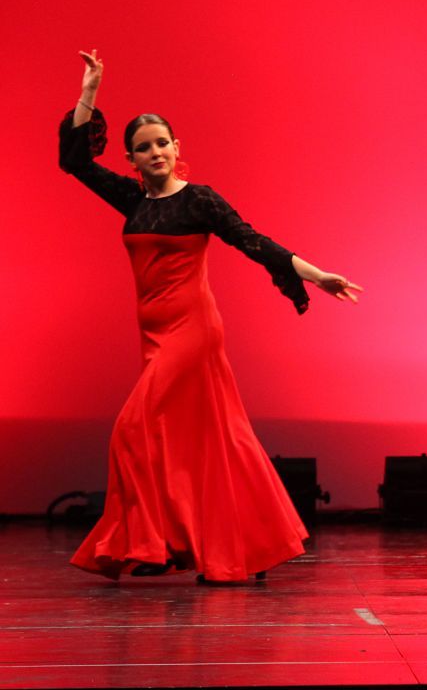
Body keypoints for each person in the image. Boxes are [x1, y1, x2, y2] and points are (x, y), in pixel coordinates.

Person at [61, 50, 362, 583]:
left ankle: (153, 542)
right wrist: (89, 91)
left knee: (132, 430)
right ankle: (220, 543)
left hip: (192, 331)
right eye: (143, 148)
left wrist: (317, 275)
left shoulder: (199, 201)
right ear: (131, 159)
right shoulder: (132, 200)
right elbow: (76, 163)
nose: (155, 152)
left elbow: (253, 242)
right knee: (209, 439)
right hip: (153, 333)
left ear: (177, 148)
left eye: (162, 143)